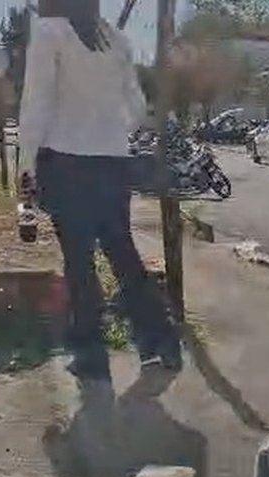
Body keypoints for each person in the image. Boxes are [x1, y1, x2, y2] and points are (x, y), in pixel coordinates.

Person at [19, 0, 181, 381]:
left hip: (65, 161)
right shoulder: (118, 40)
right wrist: (111, 133)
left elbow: (36, 102)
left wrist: (25, 163)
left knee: (79, 263)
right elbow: (138, 107)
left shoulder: (48, 32)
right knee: (123, 254)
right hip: (112, 162)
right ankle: (162, 341)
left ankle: (91, 356)